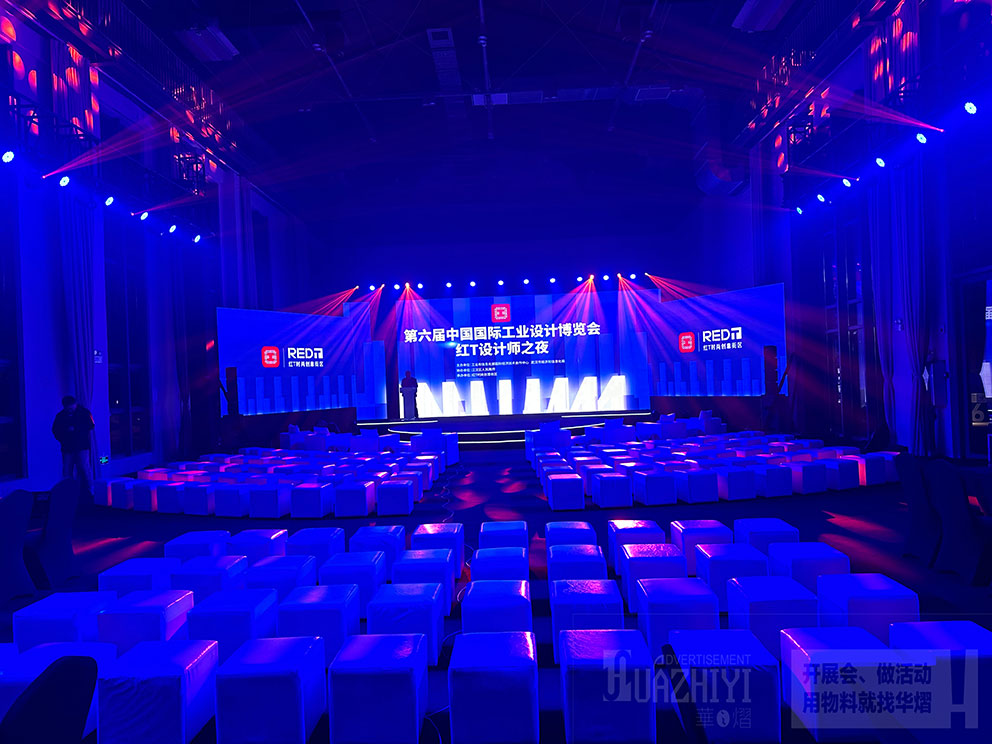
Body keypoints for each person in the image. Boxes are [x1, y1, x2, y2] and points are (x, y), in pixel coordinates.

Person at [52, 395, 94, 494]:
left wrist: (76, 429)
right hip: (68, 447)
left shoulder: (84, 412)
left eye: (71, 407)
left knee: (84, 467)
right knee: (67, 469)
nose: (70, 409)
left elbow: (90, 425)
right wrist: (63, 438)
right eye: (68, 408)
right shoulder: (60, 416)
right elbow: (55, 430)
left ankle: (90, 489)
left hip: (81, 445)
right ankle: (69, 491)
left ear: (75, 404)